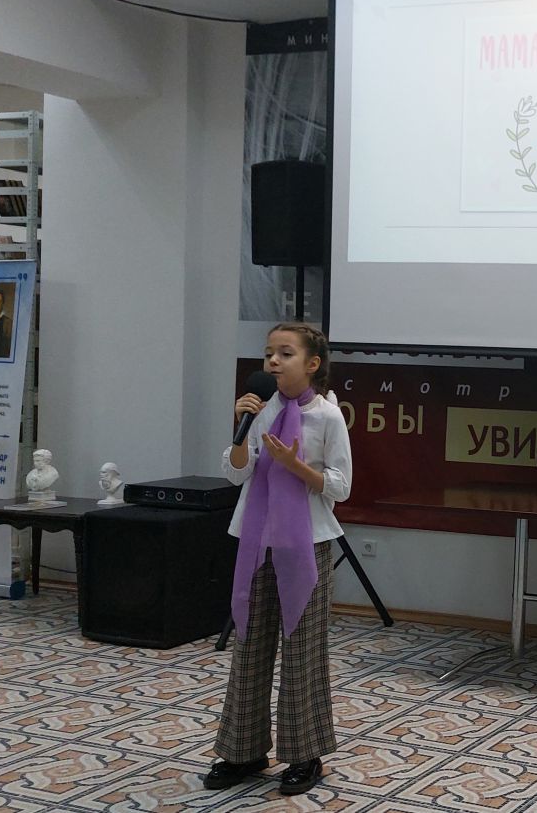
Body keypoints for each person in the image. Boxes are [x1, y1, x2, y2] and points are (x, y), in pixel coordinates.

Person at [205, 323, 352, 796]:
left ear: (312, 363)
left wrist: (295, 466)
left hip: (307, 545)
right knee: (249, 648)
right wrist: (239, 430)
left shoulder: (327, 416)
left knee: (302, 653)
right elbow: (236, 474)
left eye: (285, 353)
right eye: (269, 353)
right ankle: (242, 751)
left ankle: (305, 755)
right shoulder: (260, 410)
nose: (272, 361)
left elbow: (341, 487)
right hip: (256, 541)